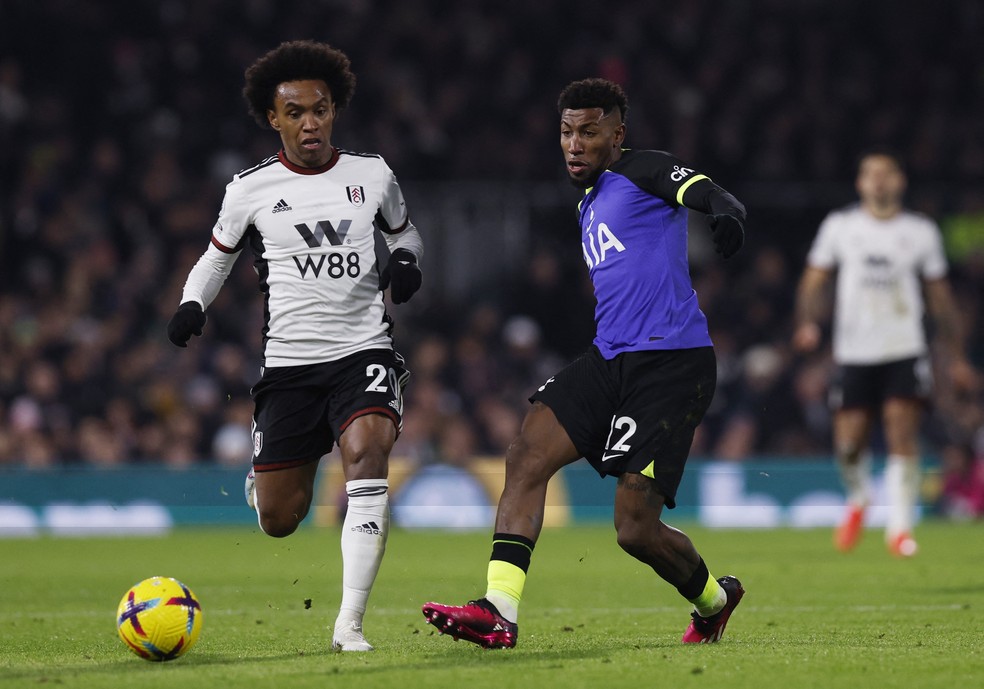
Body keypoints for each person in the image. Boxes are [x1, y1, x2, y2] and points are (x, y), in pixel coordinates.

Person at [422, 78, 747, 648]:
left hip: (671, 364)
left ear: (617, 135)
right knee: (525, 452)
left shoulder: (640, 169)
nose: (574, 143)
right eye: (567, 132)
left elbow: (700, 189)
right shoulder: (588, 202)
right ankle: (498, 610)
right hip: (609, 358)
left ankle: (714, 602)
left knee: (633, 529)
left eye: (589, 132)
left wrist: (723, 207)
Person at [166, 40, 424, 651]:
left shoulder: (372, 174)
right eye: (297, 113)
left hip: (364, 351)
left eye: (322, 109)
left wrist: (407, 261)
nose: (311, 122)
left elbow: (405, 231)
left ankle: (349, 624)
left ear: (335, 111)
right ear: (273, 119)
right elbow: (216, 257)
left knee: (367, 451)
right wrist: (190, 303)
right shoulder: (248, 189)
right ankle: (265, 482)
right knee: (281, 520)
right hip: (289, 365)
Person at [792, 149, 977, 557]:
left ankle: (900, 529)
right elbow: (812, 281)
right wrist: (807, 323)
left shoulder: (920, 231)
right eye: (869, 174)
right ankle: (859, 498)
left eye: (886, 173)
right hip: (854, 350)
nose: (878, 180)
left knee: (901, 435)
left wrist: (957, 355)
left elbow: (941, 299)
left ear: (899, 181)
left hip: (903, 347)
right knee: (849, 445)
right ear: (860, 183)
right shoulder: (841, 227)